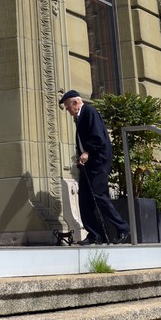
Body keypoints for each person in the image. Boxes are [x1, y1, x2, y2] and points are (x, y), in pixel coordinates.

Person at [60, 89, 130, 244]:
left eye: (67, 106)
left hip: (98, 162)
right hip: (88, 164)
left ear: (76, 102)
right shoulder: (80, 116)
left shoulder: (89, 112)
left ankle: (122, 228)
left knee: (99, 196)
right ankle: (95, 235)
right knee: (84, 198)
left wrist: (87, 152)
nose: (67, 109)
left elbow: (98, 137)